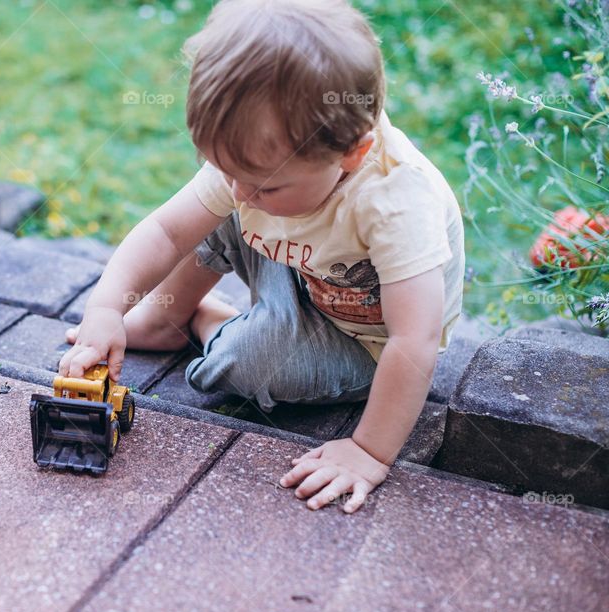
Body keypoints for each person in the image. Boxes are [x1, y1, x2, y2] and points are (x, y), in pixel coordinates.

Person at [59, 0, 464, 513]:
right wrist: (105, 310)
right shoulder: (261, 164)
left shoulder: (394, 202)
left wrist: (368, 451)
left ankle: (208, 325)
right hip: (309, 269)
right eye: (225, 169)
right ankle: (166, 317)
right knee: (213, 213)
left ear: (352, 154)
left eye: (261, 185)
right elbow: (165, 231)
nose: (240, 191)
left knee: (251, 368)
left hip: (365, 338)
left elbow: (415, 339)